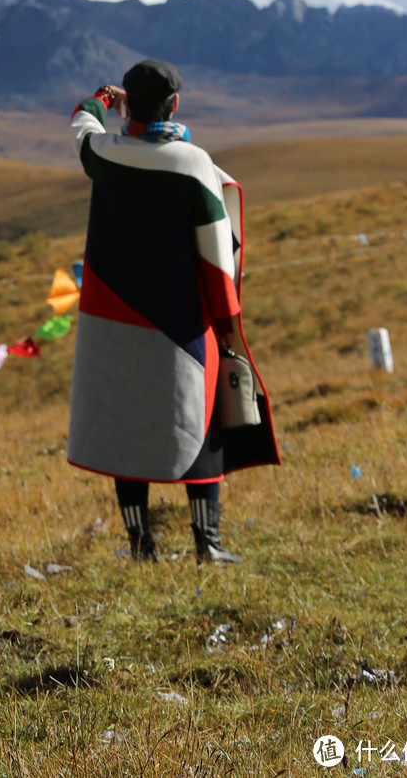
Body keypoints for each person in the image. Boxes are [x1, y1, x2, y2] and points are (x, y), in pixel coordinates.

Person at [67, 58, 279, 564]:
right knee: (198, 424)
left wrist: (101, 100)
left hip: (113, 321)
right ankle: (208, 543)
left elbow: (81, 123)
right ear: (176, 105)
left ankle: (141, 546)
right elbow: (216, 253)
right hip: (182, 322)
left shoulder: (104, 153)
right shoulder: (192, 163)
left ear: (128, 105)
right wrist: (227, 327)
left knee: (126, 425)